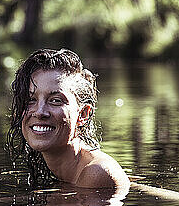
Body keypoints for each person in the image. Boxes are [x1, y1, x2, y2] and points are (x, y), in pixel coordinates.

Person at [7, 48, 130, 192]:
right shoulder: (62, 171)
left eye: (55, 100)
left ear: (83, 114)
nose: (40, 112)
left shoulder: (97, 173)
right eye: (30, 100)